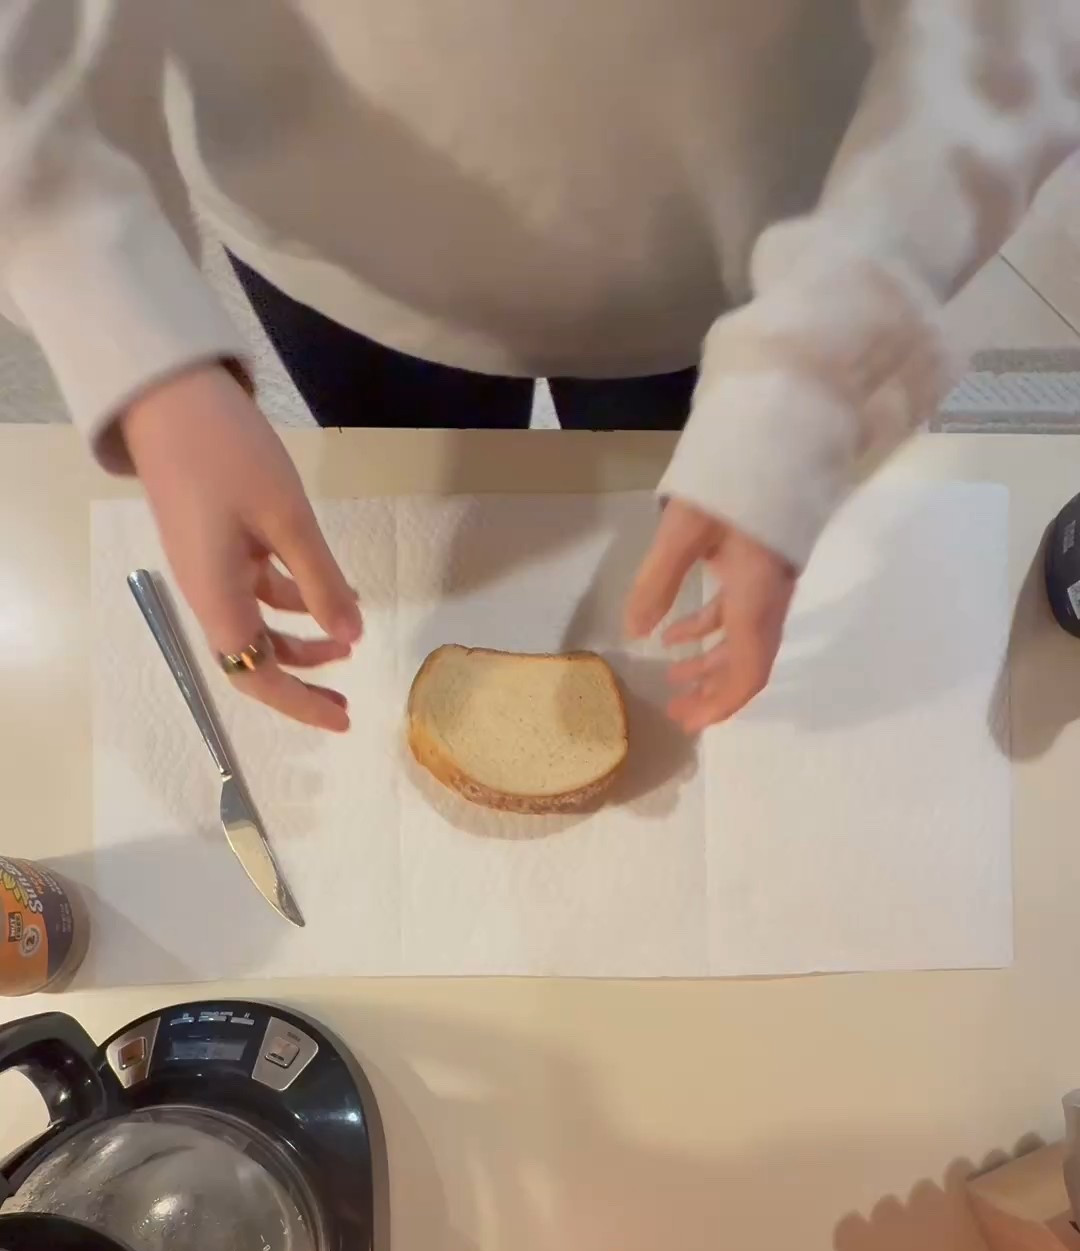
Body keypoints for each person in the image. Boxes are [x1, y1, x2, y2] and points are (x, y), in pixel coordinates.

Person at [2, 1, 1079, 736]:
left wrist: (816, 358)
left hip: (735, 270)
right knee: (426, 531)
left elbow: (1012, 33)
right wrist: (125, 328)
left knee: (666, 550)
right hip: (338, 262)